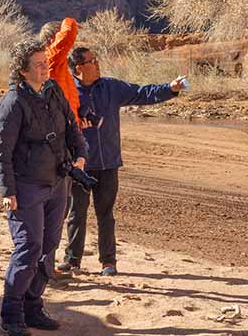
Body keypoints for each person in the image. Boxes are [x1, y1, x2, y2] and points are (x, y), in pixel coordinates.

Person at [58, 47, 185, 277]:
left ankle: (108, 262)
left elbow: (142, 93)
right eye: (92, 61)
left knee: (105, 214)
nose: (97, 63)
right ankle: (72, 260)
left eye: (96, 59)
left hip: (108, 163)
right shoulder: (67, 92)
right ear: (79, 68)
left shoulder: (111, 87)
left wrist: (170, 88)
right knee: (77, 212)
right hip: (79, 165)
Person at [0, 40, 86, 336]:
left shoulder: (53, 91)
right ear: (22, 71)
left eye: (46, 62)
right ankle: (12, 311)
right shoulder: (12, 103)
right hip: (27, 187)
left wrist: (80, 154)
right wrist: (8, 191)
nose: (45, 67)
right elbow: (1, 151)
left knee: (48, 247)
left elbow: (72, 126)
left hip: (58, 183)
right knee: (28, 247)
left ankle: (33, 305)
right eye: (38, 64)